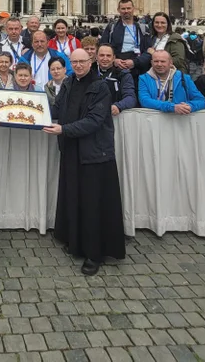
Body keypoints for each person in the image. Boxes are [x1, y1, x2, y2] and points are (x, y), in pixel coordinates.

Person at [44, 48, 127, 275]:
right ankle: (76, 241)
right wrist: (29, 110)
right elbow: (57, 108)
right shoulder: (70, 82)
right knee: (75, 197)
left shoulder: (100, 87)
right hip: (72, 150)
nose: (79, 65)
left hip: (94, 154)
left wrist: (64, 129)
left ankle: (94, 253)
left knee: (93, 204)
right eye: (75, 62)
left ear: (90, 61)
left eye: (82, 61)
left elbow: (94, 121)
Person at [138, 50, 205, 114]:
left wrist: (190, 107)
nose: (159, 64)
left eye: (163, 61)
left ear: (170, 63)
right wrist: (172, 107)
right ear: (151, 63)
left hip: (180, 121)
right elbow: (145, 101)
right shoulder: (144, 79)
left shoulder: (184, 78)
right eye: (156, 61)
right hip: (154, 122)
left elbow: (201, 100)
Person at [99, 0, 150, 77]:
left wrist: (135, 62)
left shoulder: (143, 29)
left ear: (133, 9)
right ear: (118, 10)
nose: (126, 11)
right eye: (123, 9)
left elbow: (148, 51)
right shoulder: (111, 28)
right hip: (116, 68)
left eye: (128, 8)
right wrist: (113, 60)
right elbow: (102, 46)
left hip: (137, 68)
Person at [94, 44, 138, 115]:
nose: (105, 58)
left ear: (114, 58)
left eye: (108, 56)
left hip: (114, 117)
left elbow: (131, 98)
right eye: (102, 55)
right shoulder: (89, 73)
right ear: (96, 57)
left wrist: (118, 106)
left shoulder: (123, 74)